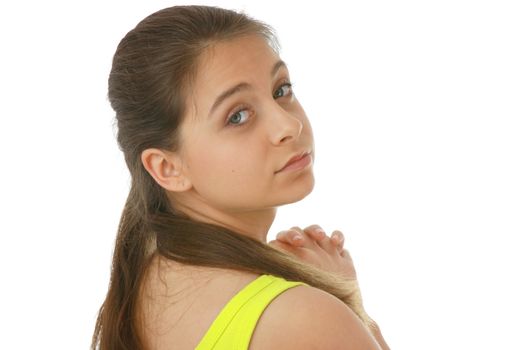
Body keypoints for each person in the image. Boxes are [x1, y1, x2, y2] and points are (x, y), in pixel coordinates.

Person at [92, 5, 390, 350]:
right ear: (167, 168)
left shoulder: (145, 281)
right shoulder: (303, 318)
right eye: (238, 116)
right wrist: (347, 302)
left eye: (281, 90)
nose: (288, 126)